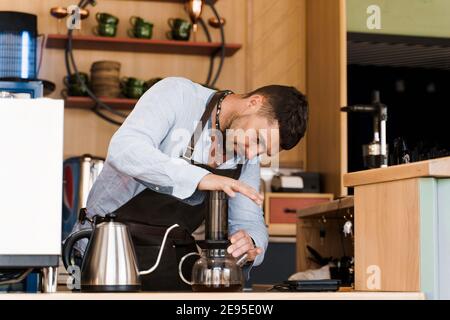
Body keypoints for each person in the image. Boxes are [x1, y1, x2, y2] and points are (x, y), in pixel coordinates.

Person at [84, 77, 308, 290]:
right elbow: (126, 150)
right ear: (254, 103)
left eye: (264, 151)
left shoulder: (246, 156)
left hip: (169, 264)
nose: (253, 155)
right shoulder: (178, 95)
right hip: (108, 252)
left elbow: (249, 220)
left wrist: (249, 241)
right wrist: (200, 178)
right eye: (257, 139)